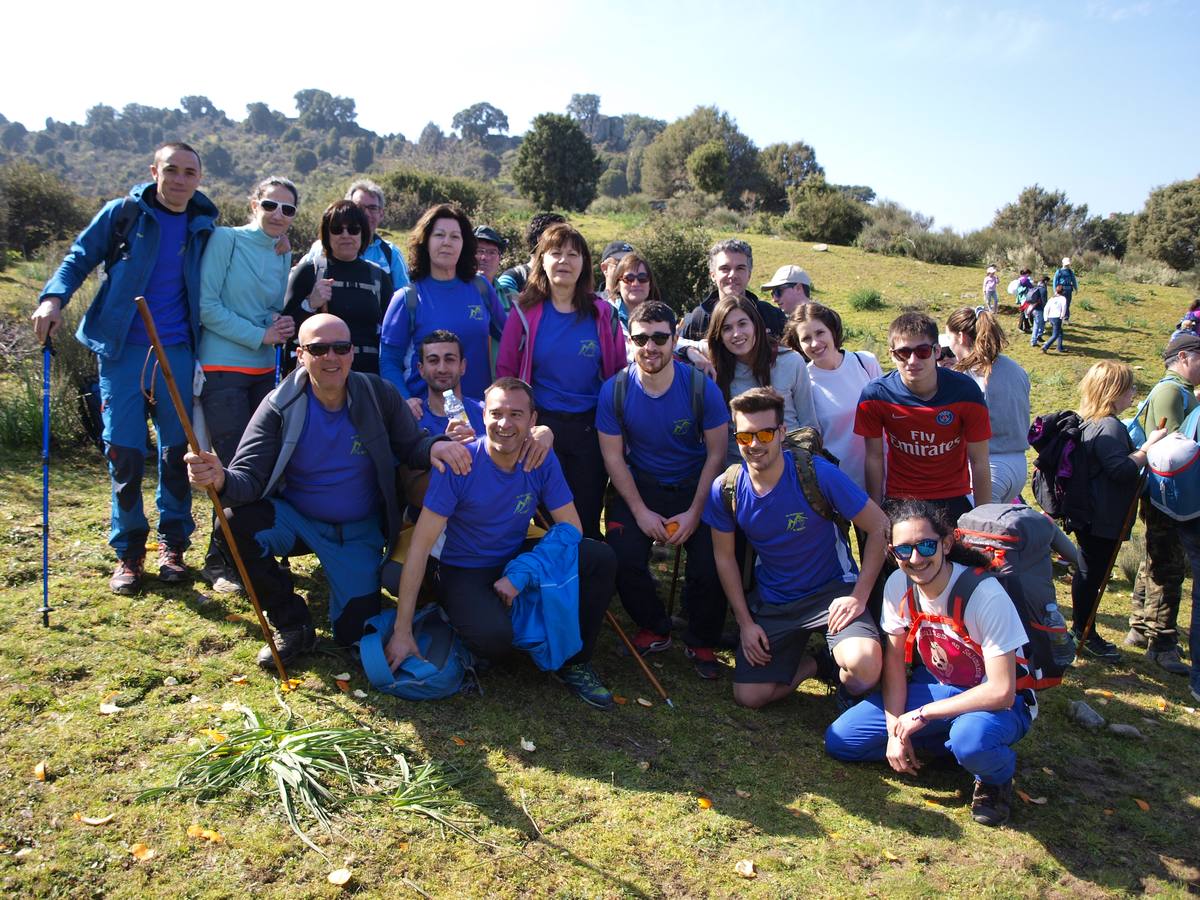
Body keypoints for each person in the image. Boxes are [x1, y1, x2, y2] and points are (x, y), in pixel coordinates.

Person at [183, 314, 470, 667]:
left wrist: (435, 447)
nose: (331, 356)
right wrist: (219, 478)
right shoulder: (278, 405)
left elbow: (412, 445)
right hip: (298, 521)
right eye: (319, 349)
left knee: (353, 636)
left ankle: (347, 595)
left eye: (341, 347)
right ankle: (292, 624)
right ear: (300, 355)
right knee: (232, 523)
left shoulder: (379, 394)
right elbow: (248, 478)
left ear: (352, 353)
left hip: (358, 531)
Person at [33, 142, 217, 594]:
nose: (179, 179)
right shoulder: (125, 215)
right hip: (121, 350)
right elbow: (80, 255)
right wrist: (53, 297)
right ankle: (130, 552)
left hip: (178, 351)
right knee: (125, 453)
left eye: (189, 172)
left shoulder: (206, 225)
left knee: (178, 453)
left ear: (199, 178)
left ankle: (173, 547)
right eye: (170, 170)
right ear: (154, 170)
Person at [385, 377, 619, 709]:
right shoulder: (461, 463)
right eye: (496, 413)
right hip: (463, 568)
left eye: (516, 414)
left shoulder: (539, 457)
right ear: (483, 417)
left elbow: (572, 529)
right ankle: (464, 617)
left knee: (599, 557)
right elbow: (421, 547)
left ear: (533, 420)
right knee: (495, 642)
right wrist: (402, 630)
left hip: (511, 557)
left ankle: (576, 662)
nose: (505, 423)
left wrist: (522, 573)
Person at [824, 501, 1038, 827]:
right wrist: (897, 728)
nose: (915, 558)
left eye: (926, 545)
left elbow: (1002, 692)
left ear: (947, 543)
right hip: (939, 689)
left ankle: (995, 777)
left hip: (996, 702)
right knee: (842, 740)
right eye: (903, 550)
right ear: (892, 552)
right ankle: (948, 748)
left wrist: (921, 716)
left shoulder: (985, 594)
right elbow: (894, 665)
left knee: (971, 739)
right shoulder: (899, 584)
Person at [704, 387, 888, 708]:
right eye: (746, 437)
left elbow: (880, 527)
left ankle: (841, 671)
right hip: (775, 601)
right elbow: (723, 558)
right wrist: (745, 623)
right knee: (749, 696)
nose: (755, 444)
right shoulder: (726, 488)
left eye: (764, 434)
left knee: (866, 667)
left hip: (832, 592)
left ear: (781, 432)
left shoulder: (817, 474)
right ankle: (818, 664)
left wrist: (858, 597)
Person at [596, 301, 730, 678]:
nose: (650, 346)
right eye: (641, 338)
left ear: (675, 338)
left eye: (659, 337)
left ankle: (701, 638)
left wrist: (695, 511)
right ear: (631, 340)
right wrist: (639, 511)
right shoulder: (615, 391)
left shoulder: (701, 388)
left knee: (712, 564)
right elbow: (613, 459)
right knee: (621, 557)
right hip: (641, 485)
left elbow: (717, 454)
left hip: (695, 486)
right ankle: (654, 626)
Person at [196, 176, 299, 593]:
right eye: (271, 205)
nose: (278, 215)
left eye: (288, 209)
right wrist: (260, 335)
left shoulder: (280, 251)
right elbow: (207, 307)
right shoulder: (227, 240)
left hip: (263, 373)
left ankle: (249, 550)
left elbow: (268, 309)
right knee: (234, 468)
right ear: (254, 203)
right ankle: (219, 562)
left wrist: (282, 322)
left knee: (263, 467)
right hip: (223, 369)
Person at [497, 223, 627, 540]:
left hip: (590, 428)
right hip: (540, 427)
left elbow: (619, 373)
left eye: (573, 254)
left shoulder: (603, 313)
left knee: (583, 514)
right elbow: (506, 372)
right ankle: (538, 582)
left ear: (584, 263)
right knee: (540, 516)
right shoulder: (524, 311)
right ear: (542, 260)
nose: (564, 261)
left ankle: (581, 583)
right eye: (556, 253)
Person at [1070, 361, 1167, 662]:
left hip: (1093, 513)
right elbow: (1121, 470)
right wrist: (1147, 447)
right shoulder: (1109, 425)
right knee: (1092, 574)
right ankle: (1084, 631)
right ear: (1113, 392)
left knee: (1089, 571)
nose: (1133, 394)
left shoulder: (1091, 421)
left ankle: (1082, 628)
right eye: (1129, 388)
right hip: (1103, 516)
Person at [855, 312, 992, 523]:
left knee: (961, 556)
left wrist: (983, 521)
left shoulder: (966, 391)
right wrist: (876, 514)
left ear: (937, 351)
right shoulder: (874, 396)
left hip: (954, 495)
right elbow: (873, 458)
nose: (912, 360)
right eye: (903, 353)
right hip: (901, 497)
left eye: (922, 351)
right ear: (892, 355)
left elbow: (979, 460)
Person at [379, 204, 506, 402]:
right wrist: (405, 399)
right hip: (427, 417)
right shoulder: (407, 298)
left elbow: (511, 339)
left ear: (464, 244)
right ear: (425, 241)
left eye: (455, 236)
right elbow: (388, 361)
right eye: (439, 235)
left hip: (477, 413)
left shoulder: (481, 288)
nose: (447, 242)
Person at [1126, 333, 1200, 673]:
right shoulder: (1172, 391)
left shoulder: (1179, 391)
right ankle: (1162, 643)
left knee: (1154, 557)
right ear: (1184, 358)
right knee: (1167, 564)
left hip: (1164, 491)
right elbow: (1172, 446)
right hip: (1168, 493)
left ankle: (1140, 627)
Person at [283, 201, 393, 374]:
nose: (345, 235)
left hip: (369, 377)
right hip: (321, 377)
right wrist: (310, 304)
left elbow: (393, 335)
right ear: (326, 235)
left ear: (363, 233)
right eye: (336, 229)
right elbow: (285, 331)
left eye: (353, 229)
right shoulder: (309, 272)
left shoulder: (379, 278)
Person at [706, 295, 818, 463]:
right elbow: (675, 342)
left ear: (756, 325)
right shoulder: (714, 371)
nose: (736, 333)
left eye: (742, 324)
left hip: (790, 463)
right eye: (727, 328)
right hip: (740, 469)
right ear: (719, 335)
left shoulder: (790, 361)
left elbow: (809, 424)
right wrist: (689, 351)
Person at [786, 303, 883, 492]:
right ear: (798, 344)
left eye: (820, 333)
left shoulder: (865, 362)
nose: (815, 343)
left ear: (832, 331)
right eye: (806, 338)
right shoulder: (804, 382)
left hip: (883, 474)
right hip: (841, 484)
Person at [945, 307, 1031, 504]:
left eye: (950, 338)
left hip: (988, 467)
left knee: (976, 531)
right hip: (1018, 466)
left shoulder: (964, 376)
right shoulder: (1015, 368)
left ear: (960, 337)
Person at [297, 180, 410, 290]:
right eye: (359, 208)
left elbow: (404, 298)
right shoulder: (320, 248)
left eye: (372, 208)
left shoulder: (391, 253)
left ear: (381, 214)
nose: (366, 214)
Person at [679, 239, 787, 342]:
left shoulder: (772, 316)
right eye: (725, 269)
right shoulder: (697, 320)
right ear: (713, 275)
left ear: (749, 274)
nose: (733, 275)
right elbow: (675, 350)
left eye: (740, 268)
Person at [495, 212, 567, 313]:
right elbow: (508, 317)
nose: (565, 241)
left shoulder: (568, 277)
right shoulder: (514, 277)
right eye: (558, 235)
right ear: (540, 239)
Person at [608, 250, 662, 330]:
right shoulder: (606, 316)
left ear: (650, 284)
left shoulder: (662, 318)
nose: (636, 283)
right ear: (618, 285)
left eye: (642, 278)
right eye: (629, 278)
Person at [1041, 287, 1067, 353]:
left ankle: (1060, 347)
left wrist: (1045, 317)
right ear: (1062, 292)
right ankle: (1045, 346)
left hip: (1050, 317)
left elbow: (1046, 308)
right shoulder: (1063, 298)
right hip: (1057, 317)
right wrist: (1062, 316)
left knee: (1060, 332)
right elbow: (1064, 307)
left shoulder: (1052, 298)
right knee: (1055, 334)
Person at [1026, 276, 1050, 347]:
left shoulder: (1036, 287)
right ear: (1045, 281)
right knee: (1037, 325)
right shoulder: (1043, 290)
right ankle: (1033, 341)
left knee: (1041, 323)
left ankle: (1039, 336)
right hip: (1040, 309)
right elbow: (1044, 301)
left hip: (1034, 309)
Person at [1053, 257, 1078, 322]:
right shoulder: (1059, 271)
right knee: (1060, 304)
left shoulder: (1070, 272)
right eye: (1066, 264)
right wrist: (1055, 291)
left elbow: (1074, 280)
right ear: (1063, 264)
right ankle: (1059, 317)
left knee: (1067, 304)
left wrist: (1076, 288)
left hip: (1069, 290)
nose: (1067, 265)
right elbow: (1055, 282)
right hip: (1061, 290)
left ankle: (1066, 318)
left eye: (1068, 264)